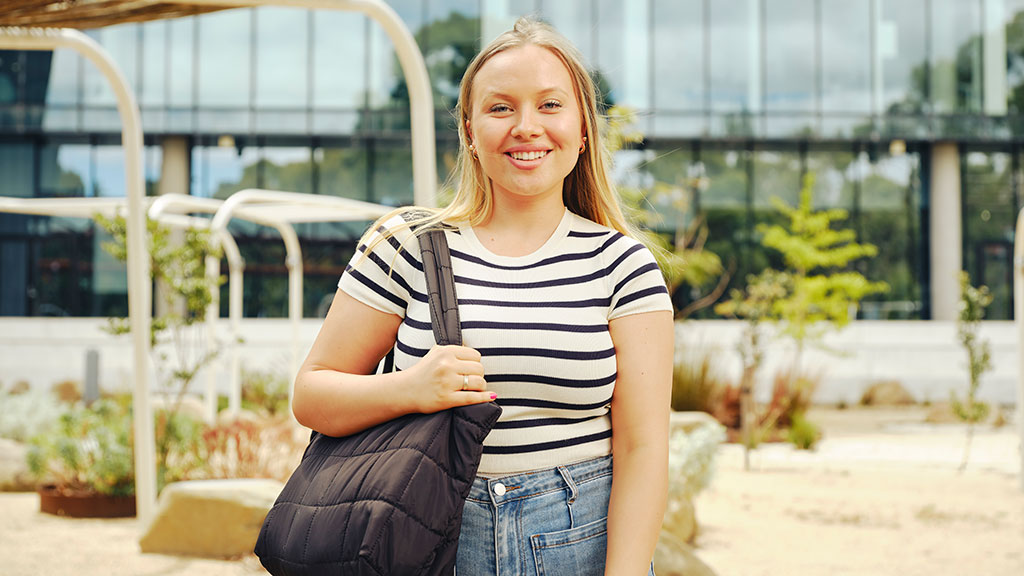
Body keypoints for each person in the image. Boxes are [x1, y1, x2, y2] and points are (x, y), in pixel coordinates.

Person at [293, 17, 674, 576]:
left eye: (550, 106)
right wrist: (412, 388)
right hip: (426, 538)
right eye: (500, 108)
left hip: (577, 546)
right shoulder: (405, 244)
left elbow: (643, 450)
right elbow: (311, 395)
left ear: (583, 129)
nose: (526, 127)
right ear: (469, 129)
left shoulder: (622, 266)